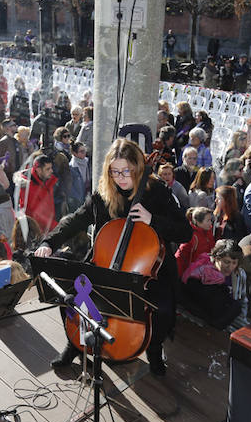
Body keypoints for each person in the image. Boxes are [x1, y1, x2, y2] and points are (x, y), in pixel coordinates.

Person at [33, 138, 192, 376]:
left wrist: (153, 221)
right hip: (107, 263)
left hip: (147, 270)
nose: (120, 178)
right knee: (70, 294)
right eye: (115, 171)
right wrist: (48, 242)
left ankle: (154, 349)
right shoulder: (103, 193)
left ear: (138, 167)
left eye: (126, 171)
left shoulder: (156, 191)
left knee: (162, 310)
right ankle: (74, 344)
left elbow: (185, 232)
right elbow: (76, 219)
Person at [180, 239, 247, 330]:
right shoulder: (202, 272)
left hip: (230, 317)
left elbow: (242, 300)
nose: (230, 267)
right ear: (216, 258)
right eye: (226, 262)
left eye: (234, 263)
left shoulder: (239, 274)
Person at [16, 154, 58, 233]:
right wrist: (56, 227)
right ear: (38, 170)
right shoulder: (28, 188)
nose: (51, 171)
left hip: (48, 227)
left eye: (51, 168)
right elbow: (37, 215)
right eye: (48, 169)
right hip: (36, 231)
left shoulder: (46, 179)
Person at [175, 206, 216, 279]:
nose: (211, 223)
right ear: (198, 222)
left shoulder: (208, 231)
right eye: (208, 220)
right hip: (193, 277)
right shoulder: (191, 237)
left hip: (205, 273)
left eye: (211, 220)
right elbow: (180, 258)